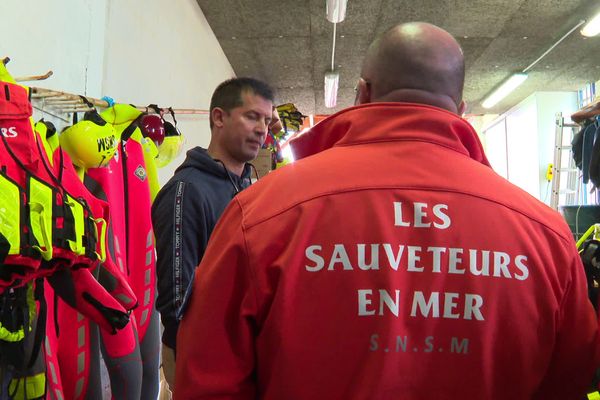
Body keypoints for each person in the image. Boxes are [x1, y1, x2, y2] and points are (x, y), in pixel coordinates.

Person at [175, 23, 599, 399]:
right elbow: (570, 380)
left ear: (362, 93)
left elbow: (208, 380)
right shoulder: (546, 235)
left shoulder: (260, 213)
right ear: (461, 110)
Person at [151, 77, 275, 392]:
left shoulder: (249, 186)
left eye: (266, 120)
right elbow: (176, 295)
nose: (262, 128)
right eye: (252, 116)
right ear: (219, 118)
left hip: (241, 348)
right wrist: (198, 363)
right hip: (201, 356)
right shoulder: (187, 190)